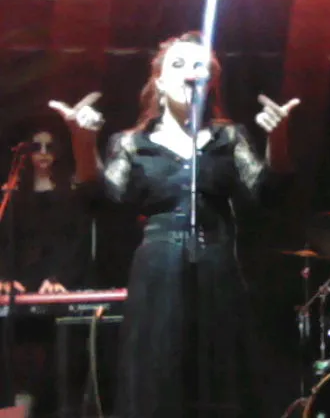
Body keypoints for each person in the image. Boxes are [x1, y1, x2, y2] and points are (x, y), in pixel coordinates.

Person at [48, 31, 299, 418]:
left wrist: (277, 139)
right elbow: (101, 200)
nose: (190, 73)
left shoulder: (229, 138)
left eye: (200, 66)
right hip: (158, 271)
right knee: (157, 372)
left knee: (219, 374)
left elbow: (268, 194)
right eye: (178, 65)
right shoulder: (133, 143)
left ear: (210, 83)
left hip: (218, 266)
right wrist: (82, 142)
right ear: (160, 82)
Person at [0, 126, 95, 414]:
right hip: (21, 283)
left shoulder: (71, 193)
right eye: (36, 147)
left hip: (59, 280)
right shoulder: (12, 195)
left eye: (49, 147)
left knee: (56, 349)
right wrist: (5, 278)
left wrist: (58, 278)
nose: (42, 153)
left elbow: (77, 243)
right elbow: (7, 243)